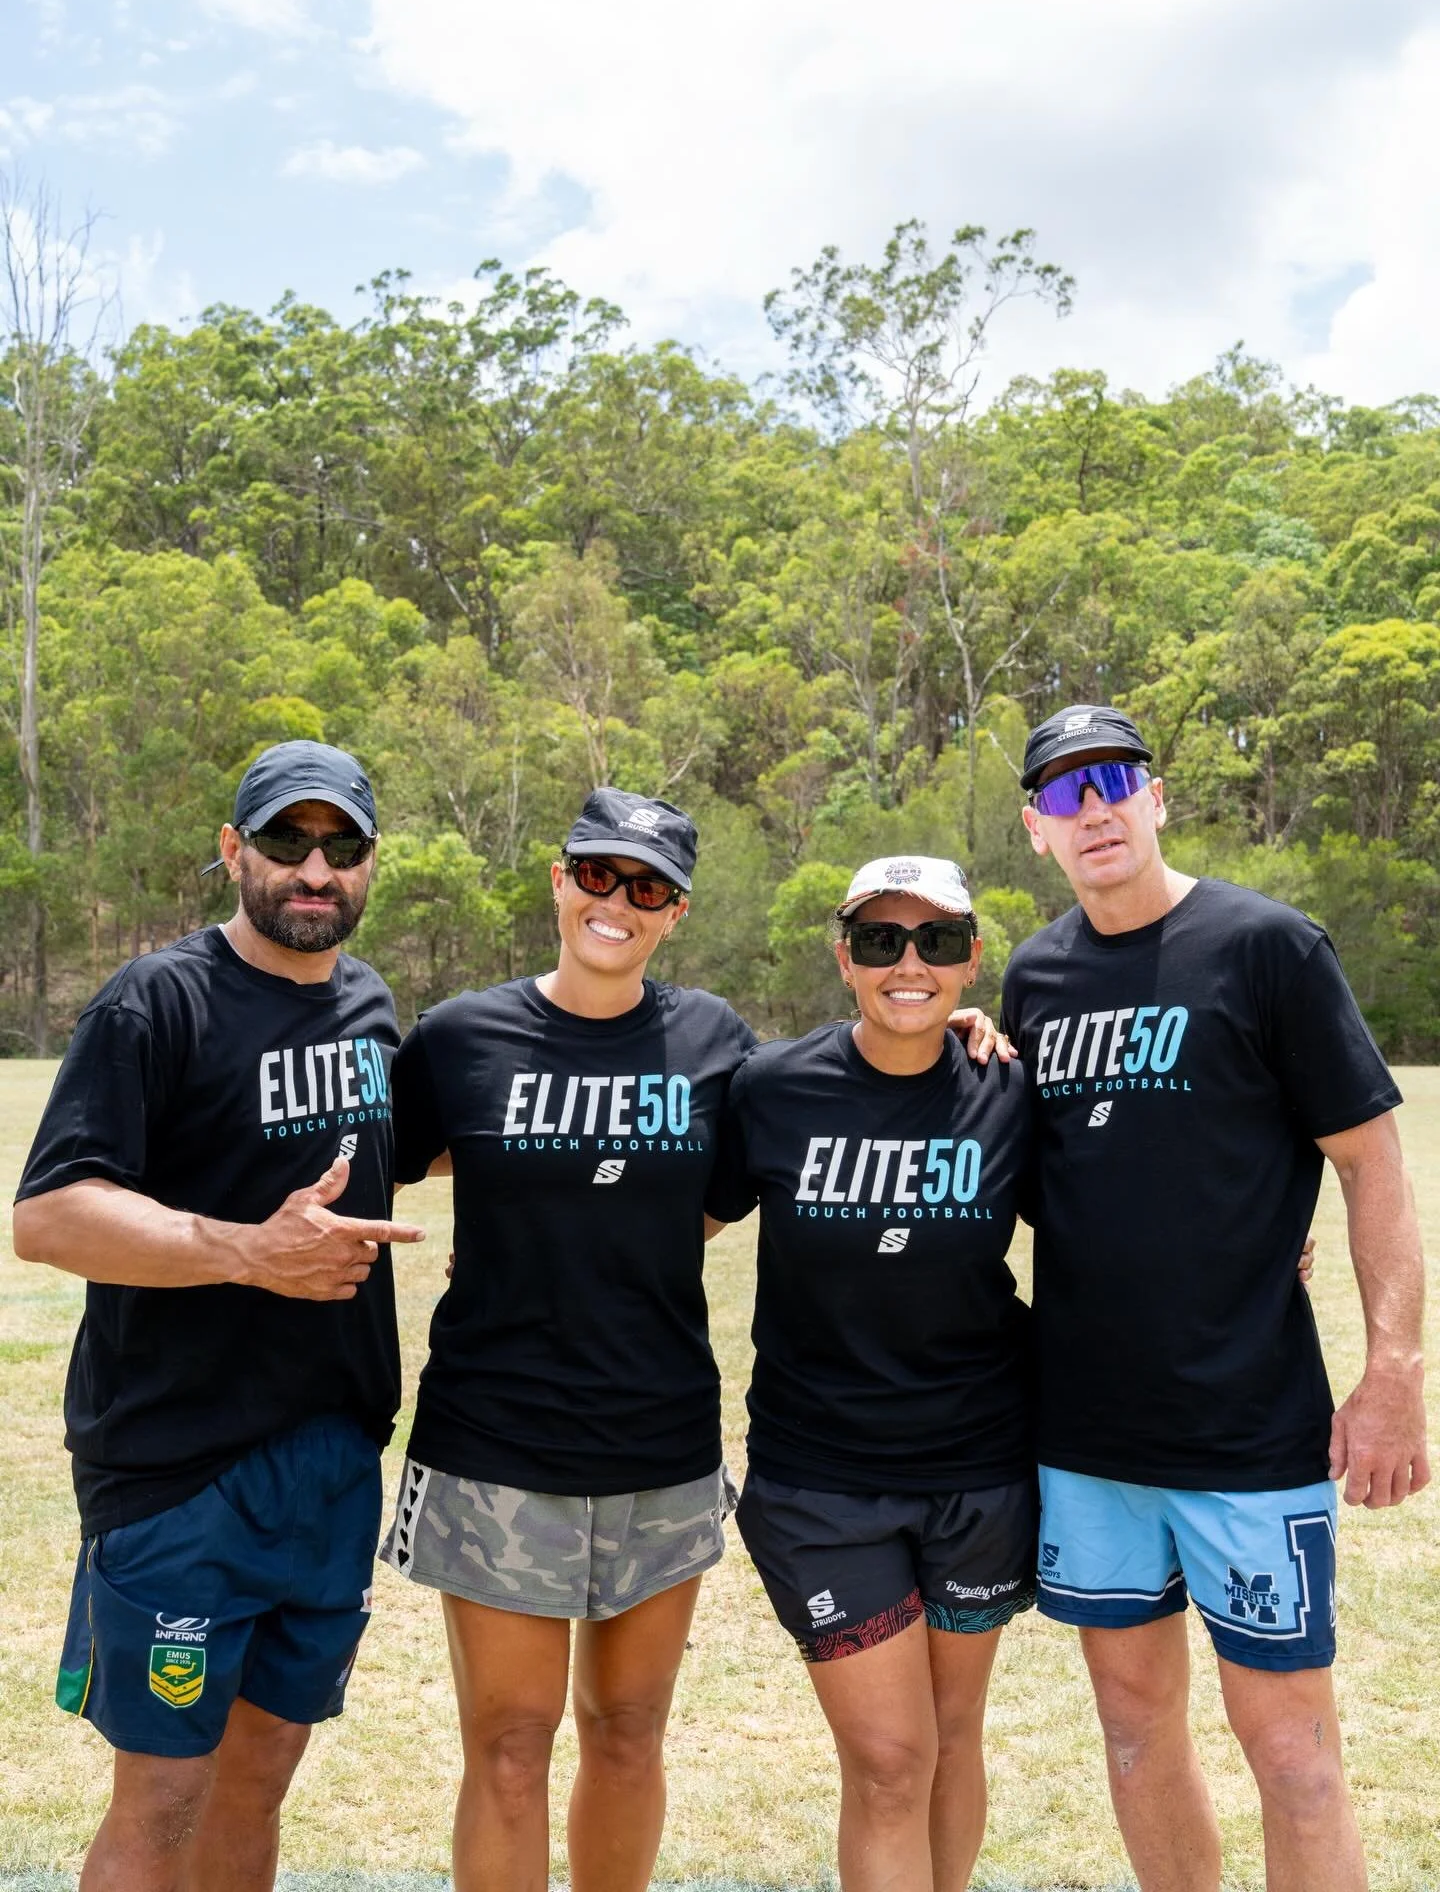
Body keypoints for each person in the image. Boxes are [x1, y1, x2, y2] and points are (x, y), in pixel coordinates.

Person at [1001, 703, 1430, 1892]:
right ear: (1036, 830)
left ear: (1157, 796)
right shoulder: (1034, 975)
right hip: (1089, 1438)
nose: (1093, 811)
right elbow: (1058, 1179)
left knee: (1292, 1754)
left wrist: (1394, 1372)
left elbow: (1370, 1163)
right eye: (1062, 794)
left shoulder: (1267, 946)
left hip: (1251, 1429)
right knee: (1136, 1737)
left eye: (1113, 781)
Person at [11, 741, 424, 1892]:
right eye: (287, 842)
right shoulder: (157, 1001)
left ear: (368, 864)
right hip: (179, 1465)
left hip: (333, 1459)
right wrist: (246, 1253)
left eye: (340, 848)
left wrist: (933, 1040)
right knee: (165, 1796)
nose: (315, 870)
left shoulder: (371, 1005)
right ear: (234, 850)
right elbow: (48, 1217)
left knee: (260, 1777)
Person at [380, 788, 756, 1892]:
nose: (617, 903)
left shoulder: (714, 1040)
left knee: (630, 1731)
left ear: (674, 912)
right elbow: (384, 1159)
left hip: (660, 1439)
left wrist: (972, 1027)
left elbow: (737, 1177)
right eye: (597, 874)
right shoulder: (459, 1038)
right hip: (499, 1439)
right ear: (558, 879)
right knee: (507, 1743)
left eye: (648, 889)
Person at [706, 856, 1036, 1892]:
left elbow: (1125, 1208)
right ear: (844, 957)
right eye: (883, 941)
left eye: (936, 943)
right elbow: (671, 1226)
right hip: (822, 1486)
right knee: (891, 1761)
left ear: (970, 960)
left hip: (982, 1471)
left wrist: (1271, 1237)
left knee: (951, 1736)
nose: (910, 963)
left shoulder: (1010, 1089)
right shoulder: (771, 1089)